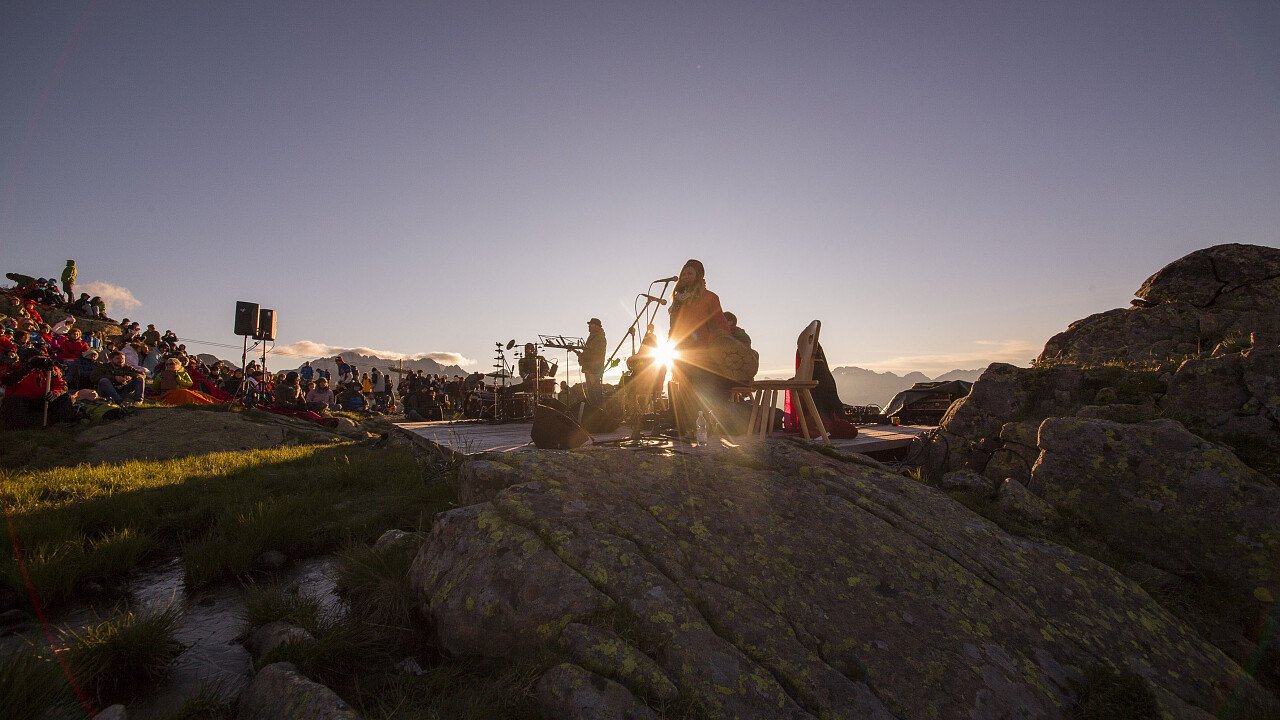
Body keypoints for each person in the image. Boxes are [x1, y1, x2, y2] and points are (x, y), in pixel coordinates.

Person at [668, 258, 733, 433]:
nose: (685, 276)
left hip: (703, 354)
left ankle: (700, 428)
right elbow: (673, 328)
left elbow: (721, 325)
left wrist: (709, 343)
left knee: (699, 391)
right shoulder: (677, 301)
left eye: (690, 273)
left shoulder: (709, 298)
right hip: (681, 353)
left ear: (699, 276)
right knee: (682, 390)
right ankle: (683, 428)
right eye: (684, 273)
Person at [575, 318, 606, 403]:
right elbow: (589, 352)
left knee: (594, 392)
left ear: (596, 326)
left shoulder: (600, 338)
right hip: (590, 368)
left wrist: (583, 356)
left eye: (591, 324)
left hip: (594, 369)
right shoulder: (593, 337)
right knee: (591, 392)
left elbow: (596, 354)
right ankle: (595, 410)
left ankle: (598, 411)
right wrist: (581, 355)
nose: (589, 326)